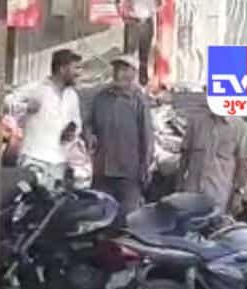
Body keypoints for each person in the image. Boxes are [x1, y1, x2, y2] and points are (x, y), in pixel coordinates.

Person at [85, 55, 153, 216]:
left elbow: (147, 137)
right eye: (116, 69)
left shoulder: (139, 101)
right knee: (100, 216)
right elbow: (89, 123)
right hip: (102, 171)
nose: (118, 74)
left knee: (128, 218)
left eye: (123, 70)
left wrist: (145, 167)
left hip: (128, 172)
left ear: (133, 73)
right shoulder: (101, 98)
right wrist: (88, 135)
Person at [12, 49, 82, 189]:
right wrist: (26, 107)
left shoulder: (72, 96)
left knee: (53, 201)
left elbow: (77, 123)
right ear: (62, 69)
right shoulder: (37, 88)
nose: (79, 73)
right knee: (32, 200)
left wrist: (73, 130)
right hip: (34, 159)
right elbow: (7, 102)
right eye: (75, 68)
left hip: (59, 162)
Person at [179, 103, 247, 213]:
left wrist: (238, 194)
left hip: (219, 195)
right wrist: (179, 184)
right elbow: (185, 157)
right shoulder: (196, 122)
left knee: (214, 222)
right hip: (191, 192)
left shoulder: (241, 127)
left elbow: (242, 166)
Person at [116, 0, 156, 88]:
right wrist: (123, 13)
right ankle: (125, 84)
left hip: (147, 21)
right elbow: (118, 3)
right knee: (129, 55)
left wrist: (153, 10)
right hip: (132, 21)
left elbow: (160, 4)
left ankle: (143, 84)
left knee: (144, 55)